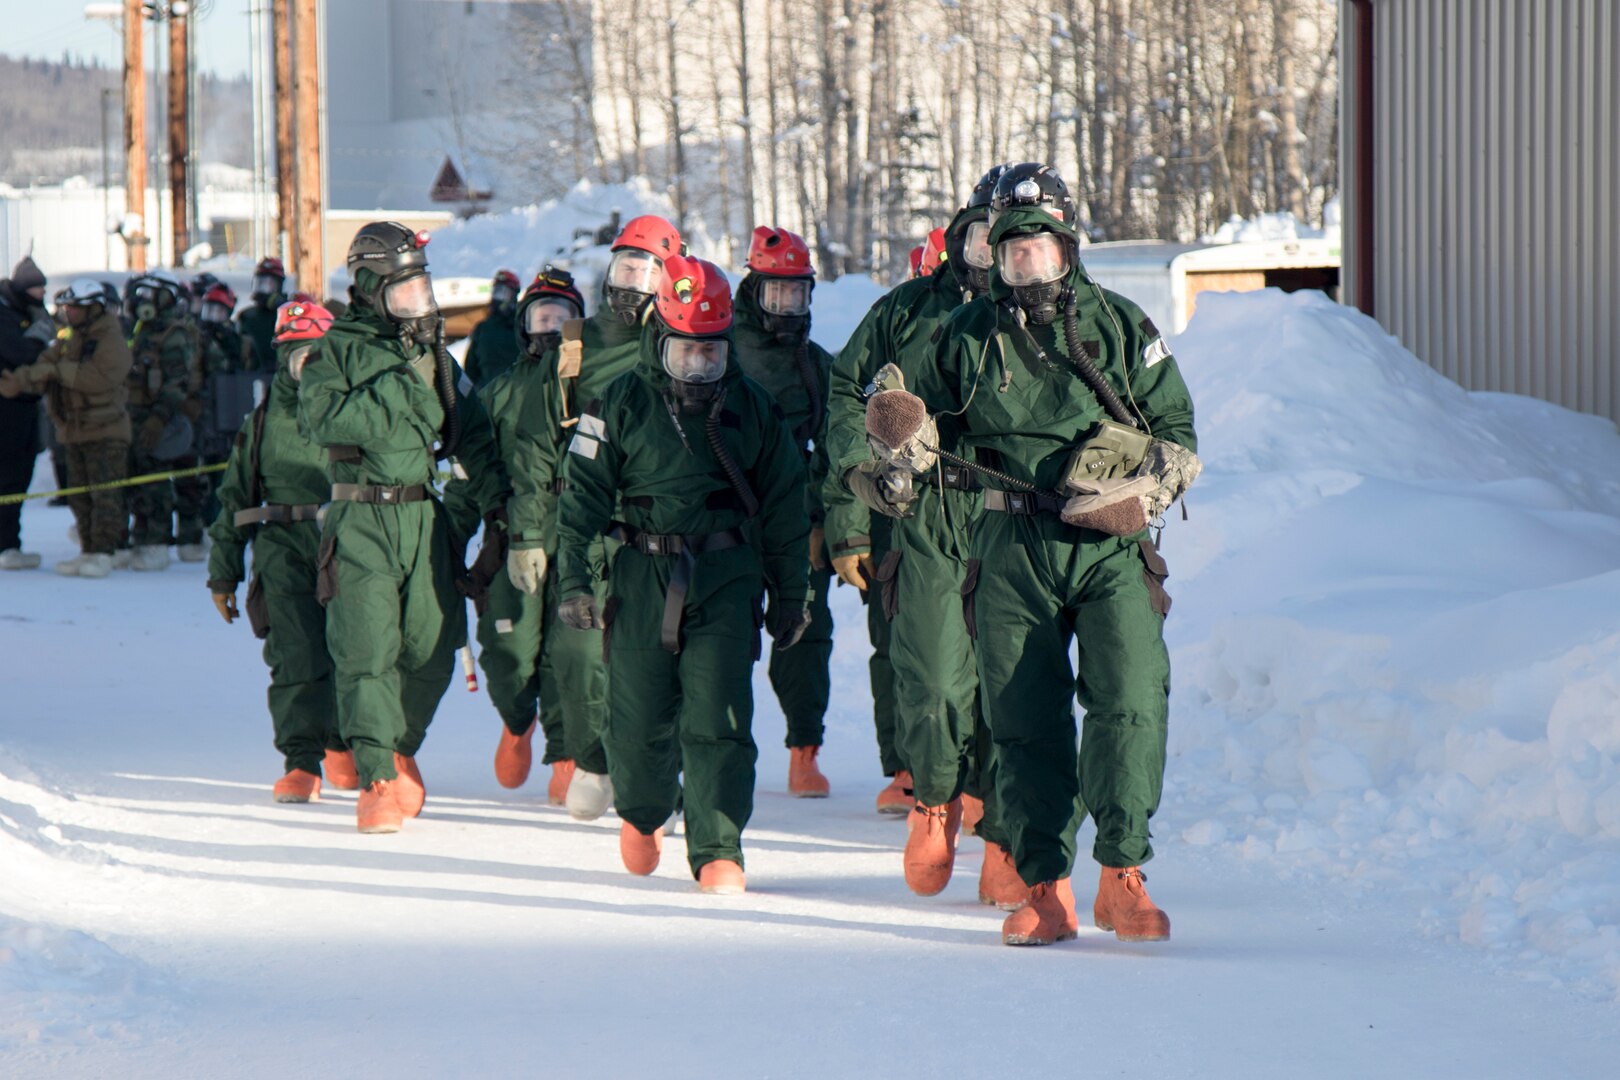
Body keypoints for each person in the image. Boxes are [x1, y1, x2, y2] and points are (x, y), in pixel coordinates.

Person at [862, 162, 1200, 946]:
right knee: (1023, 721)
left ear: (1068, 246)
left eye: (1041, 248)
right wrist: (899, 454)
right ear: (993, 255)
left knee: (1131, 697)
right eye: (1012, 252)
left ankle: (1123, 876)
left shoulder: (1119, 327)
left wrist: (1142, 492)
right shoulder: (964, 337)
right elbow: (912, 422)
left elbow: (1177, 433)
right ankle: (1047, 890)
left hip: (1107, 542)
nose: (1027, 265)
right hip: (1009, 543)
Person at [552, 255, 810, 893]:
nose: (699, 370)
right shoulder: (617, 405)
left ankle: (719, 846)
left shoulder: (753, 410)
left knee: (718, 716)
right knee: (637, 719)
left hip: (725, 574)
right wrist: (577, 581)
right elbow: (579, 501)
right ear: (659, 340)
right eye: (685, 356)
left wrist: (791, 593)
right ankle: (643, 812)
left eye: (711, 357)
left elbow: (785, 509)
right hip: (641, 573)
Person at [823, 166, 1026, 908]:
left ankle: (1003, 832)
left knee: (1013, 687)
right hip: (928, 512)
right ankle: (935, 798)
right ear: (957, 236)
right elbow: (848, 399)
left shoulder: (1042, 315)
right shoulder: (904, 312)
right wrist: (857, 488)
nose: (990, 250)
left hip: (1016, 514)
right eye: (978, 234)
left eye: (1004, 238)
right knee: (936, 677)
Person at [298, 221, 507, 834]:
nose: (419, 303)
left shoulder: (434, 357)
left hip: (422, 514)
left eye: (423, 289)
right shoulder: (336, 351)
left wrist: (497, 513)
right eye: (404, 290)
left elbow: (473, 435)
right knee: (367, 650)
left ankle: (396, 744)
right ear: (369, 288)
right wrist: (399, 389)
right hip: (360, 515)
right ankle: (377, 779)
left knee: (434, 647)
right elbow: (321, 417)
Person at [506, 215, 686, 822]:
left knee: (660, 657)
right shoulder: (575, 344)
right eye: (625, 265)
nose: (632, 278)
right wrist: (530, 534)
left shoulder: (688, 340)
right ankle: (592, 757)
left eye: (646, 268)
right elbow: (534, 447)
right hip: (586, 525)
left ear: (669, 277)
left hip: (661, 531)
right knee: (581, 656)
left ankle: (653, 772)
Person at [442, 266, 590, 801]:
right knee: (510, 649)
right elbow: (469, 472)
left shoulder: (596, 388)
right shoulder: (498, 393)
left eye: (562, 316)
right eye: (541, 316)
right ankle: (516, 720)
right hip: (511, 542)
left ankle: (566, 751)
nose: (551, 326)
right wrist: (450, 542)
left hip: (580, 538)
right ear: (524, 325)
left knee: (572, 651)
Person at [207, 299, 357, 801]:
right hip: (282, 546)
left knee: (353, 647)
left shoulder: (355, 409)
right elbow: (233, 497)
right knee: (295, 655)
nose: (305, 366)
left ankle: (345, 741)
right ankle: (301, 761)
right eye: (295, 355)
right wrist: (222, 574)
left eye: (314, 355)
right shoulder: (263, 420)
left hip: (348, 540)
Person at [730, 226, 835, 797]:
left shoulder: (817, 366)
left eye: (798, 295)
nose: (788, 308)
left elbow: (837, 443)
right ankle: (719, 747)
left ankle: (804, 749)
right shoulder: (720, 352)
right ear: (753, 289)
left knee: (807, 632)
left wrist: (822, 518)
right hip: (731, 514)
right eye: (777, 295)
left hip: (796, 516)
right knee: (723, 632)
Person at [0, 280, 132, 579]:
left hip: (104, 430)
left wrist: (54, 371)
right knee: (80, 496)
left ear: (91, 308)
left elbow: (98, 378)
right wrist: (20, 380)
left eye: (74, 307)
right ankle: (88, 549)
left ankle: (104, 552)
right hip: (75, 431)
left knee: (105, 496)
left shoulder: (110, 337)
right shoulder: (71, 338)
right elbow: (46, 362)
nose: (67, 312)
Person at [124, 270, 198, 572]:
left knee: (156, 483)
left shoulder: (174, 334)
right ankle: (140, 537)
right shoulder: (139, 331)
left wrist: (158, 419)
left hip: (159, 419)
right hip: (134, 416)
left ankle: (156, 541)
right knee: (138, 480)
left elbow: (177, 383)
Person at [0, 256, 53, 569]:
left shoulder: (27, 311)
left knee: (21, 475)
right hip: (7, 408)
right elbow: (19, 352)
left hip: (27, 405)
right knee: (8, 477)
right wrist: (37, 338)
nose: (41, 296)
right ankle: (7, 545)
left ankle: (10, 542)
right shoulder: (6, 313)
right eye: (35, 290)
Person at [462, 269, 522, 386]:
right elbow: (470, 370)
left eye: (504, 293)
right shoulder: (483, 329)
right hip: (486, 397)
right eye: (496, 292)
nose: (498, 298)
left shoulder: (523, 326)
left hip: (518, 395)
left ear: (514, 296)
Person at [236, 257, 287, 372]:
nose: (263, 290)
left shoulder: (288, 312)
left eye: (269, 284)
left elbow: (303, 312)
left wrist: (284, 307)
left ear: (278, 286)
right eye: (260, 284)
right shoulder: (246, 316)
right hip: (253, 377)